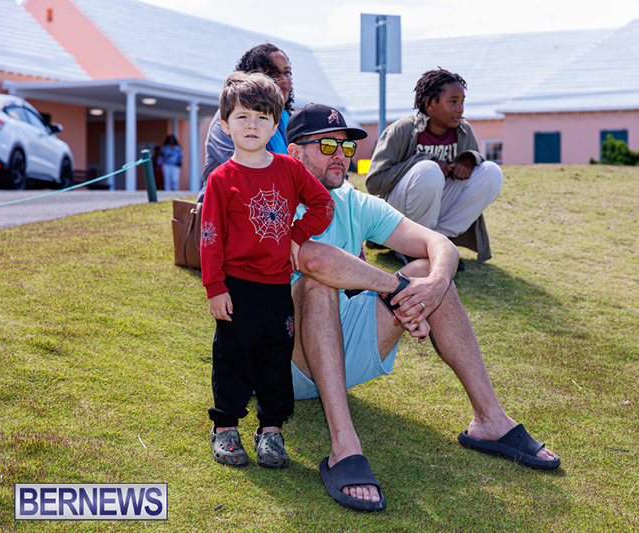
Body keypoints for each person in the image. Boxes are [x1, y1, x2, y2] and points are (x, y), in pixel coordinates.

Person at [286, 104, 560, 512]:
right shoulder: (274, 200)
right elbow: (313, 259)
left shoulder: (353, 202)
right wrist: (398, 287)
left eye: (346, 146)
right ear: (294, 153)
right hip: (286, 364)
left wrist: (433, 286)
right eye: (327, 145)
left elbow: (440, 244)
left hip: (341, 353)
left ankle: (490, 420)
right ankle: (344, 447)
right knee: (316, 285)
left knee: (429, 271)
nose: (340, 155)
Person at [201, 75, 334, 470]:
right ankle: (225, 426)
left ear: (276, 125)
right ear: (226, 124)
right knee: (232, 357)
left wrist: (297, 235)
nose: (252, 125)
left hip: (277, 287)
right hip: (235, 288)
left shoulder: (290, 170)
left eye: (262, 117)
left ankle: (271, 430)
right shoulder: (221, 179)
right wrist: (214, 287)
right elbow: (210, 237)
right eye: (242, 117)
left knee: (275, 359)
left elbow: (323, 205)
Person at [365, 68, 504, 266]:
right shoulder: (403, 129)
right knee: (429, 171)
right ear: (430, 104)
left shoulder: (463, 130)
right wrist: (424, 161)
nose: (460, 109)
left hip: (437, 207)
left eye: (462, 102)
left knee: (492, 172)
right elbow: (374, 183)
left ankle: (439, 244)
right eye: (453, 101)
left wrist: (470, 160)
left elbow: (475, 176)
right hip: (399, 211)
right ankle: (412, 247)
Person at [201, 43, 294, 185]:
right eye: (274, 73)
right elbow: (243, 170)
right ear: (253, 76)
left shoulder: (288, 119)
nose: (283, 79)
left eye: (286, 72)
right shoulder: (229, 117)